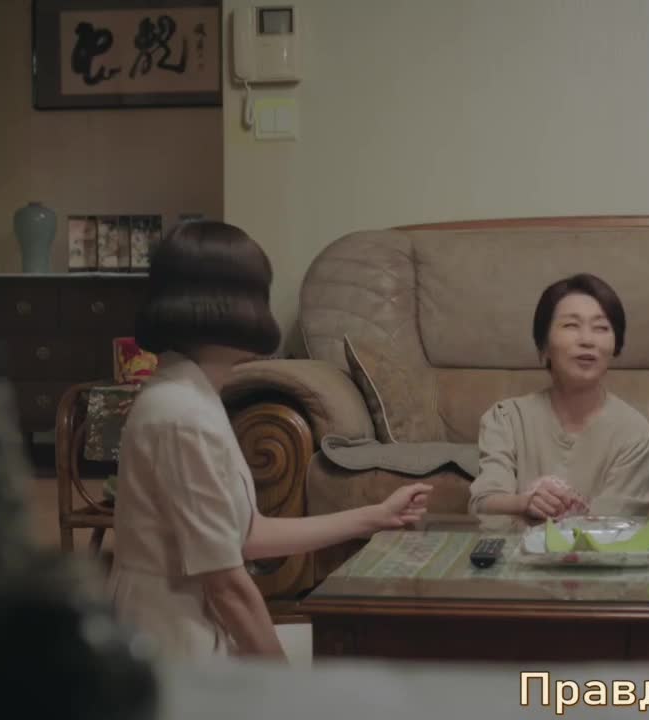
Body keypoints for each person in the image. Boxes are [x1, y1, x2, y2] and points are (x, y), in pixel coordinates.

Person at [109, 221, 430, 661]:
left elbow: (246, 535)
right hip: (177, 652)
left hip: (197, 632)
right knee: (370, 659)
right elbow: (227, 586)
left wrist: (375, 517)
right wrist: (280, 686)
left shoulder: (191, 393)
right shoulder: (182, 415)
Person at [467, 273, 649, 520]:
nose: (587, 340)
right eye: (571, 325)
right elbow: (482, 504)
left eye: (601, 328)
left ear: (615, 346)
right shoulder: (506, 420)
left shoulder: (637, 437)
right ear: (544, 346)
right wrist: (525, 503)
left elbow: (613, 526)